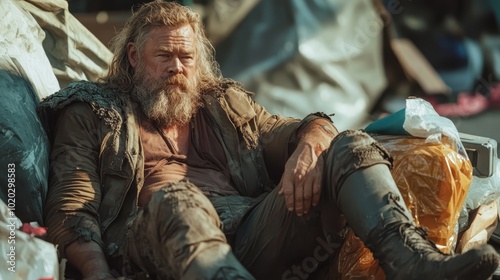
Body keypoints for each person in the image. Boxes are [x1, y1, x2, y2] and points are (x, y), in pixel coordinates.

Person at [39, 1, 499, 279]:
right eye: (165, 57)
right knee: (179, 197)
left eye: (186, 58)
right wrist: (97, 272)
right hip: (160, 250)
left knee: (349, 143)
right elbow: (71, 210)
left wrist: (309, 145)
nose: (178, 69)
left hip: (253, 234)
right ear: (134, 57)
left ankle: (412, 261)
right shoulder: (93, 110)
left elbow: (296, 127)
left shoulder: (221, 103)